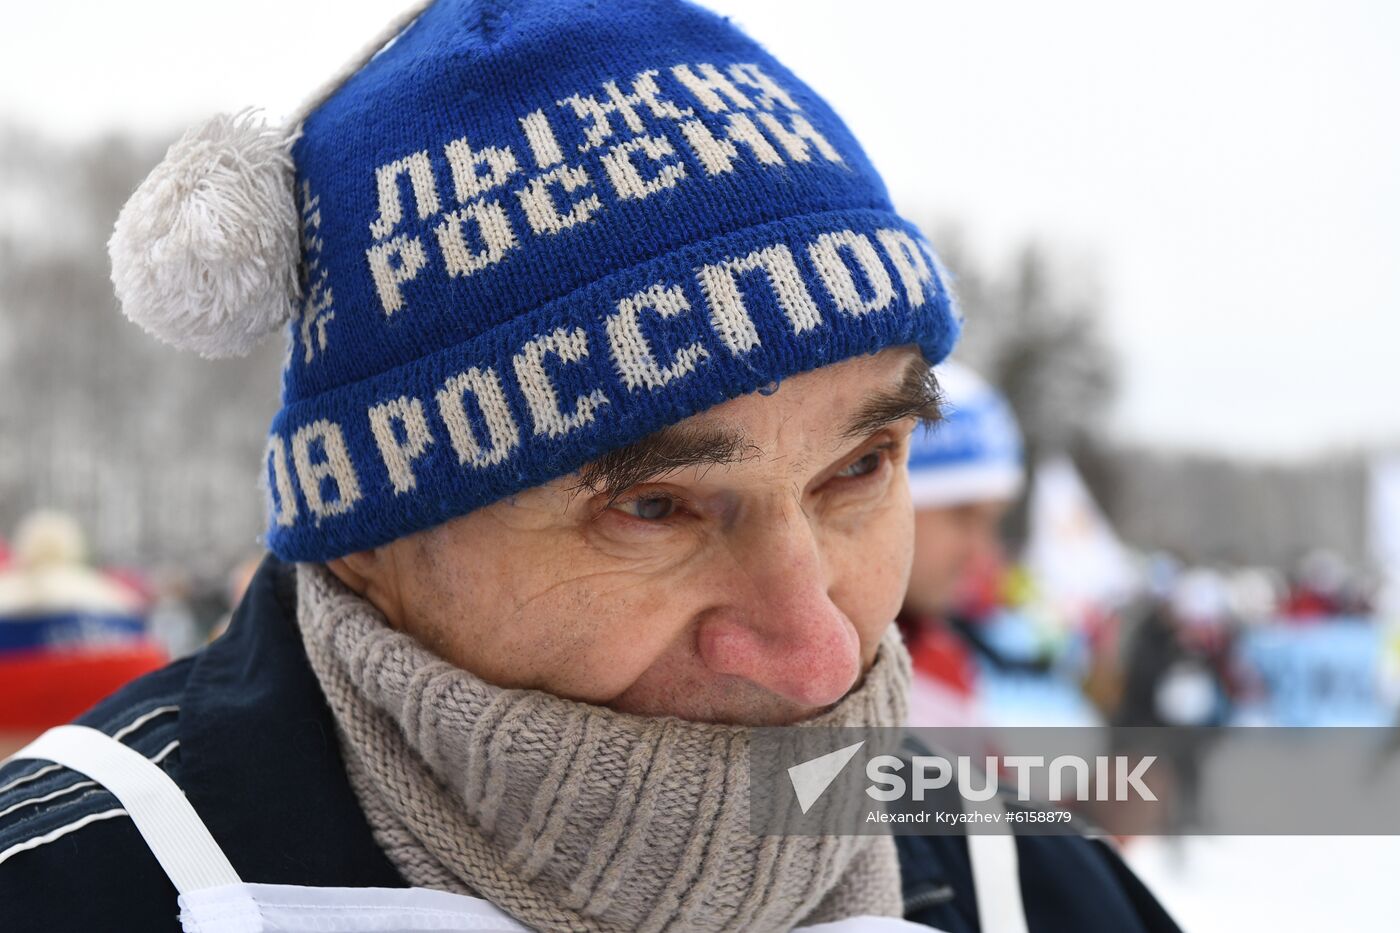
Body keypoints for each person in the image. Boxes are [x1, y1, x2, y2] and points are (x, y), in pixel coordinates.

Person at [0, 2, 1179, 930]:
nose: (820, 652)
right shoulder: (77, 887)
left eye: (860, 468)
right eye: (654, 509)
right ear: (364, 540)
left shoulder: (1026, 884)